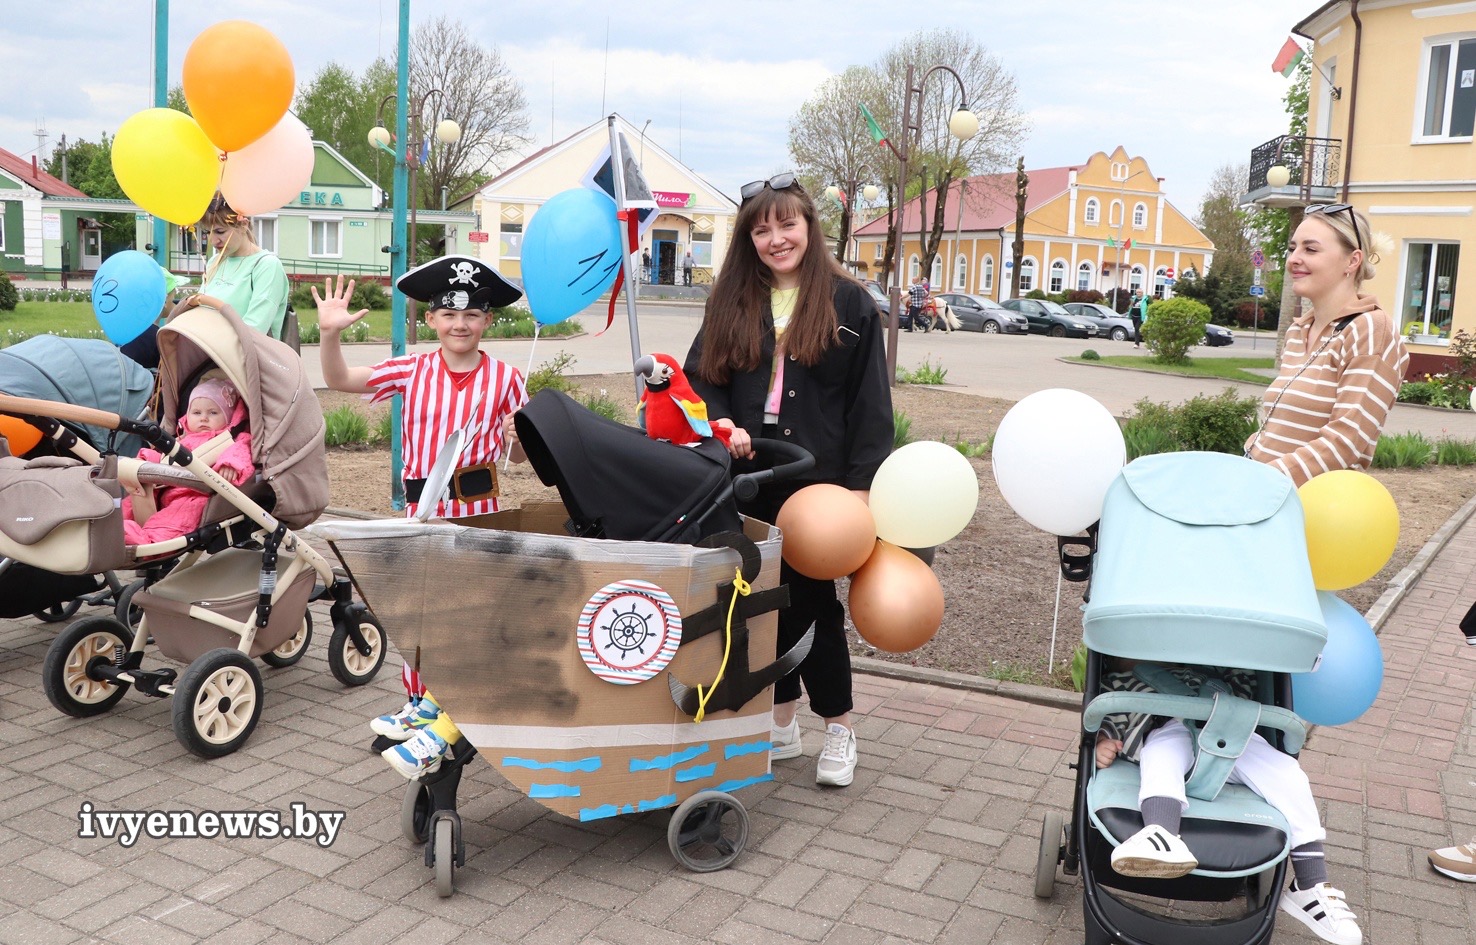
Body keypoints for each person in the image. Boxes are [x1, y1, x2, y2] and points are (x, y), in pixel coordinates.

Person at [684, 172, 892, 789]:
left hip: (818, 484)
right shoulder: (731, 299)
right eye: (762, 228)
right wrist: (719, 421)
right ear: (749, 238)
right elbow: (703, 375)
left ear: (809, 226)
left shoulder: (850, 301)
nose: (776, 238)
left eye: (787, 224)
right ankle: (780, 719)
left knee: (812, 604)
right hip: (749, 476)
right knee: (754, 601)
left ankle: (841, 727)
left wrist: (859, 490)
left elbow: (869, 404)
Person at [314, 255, 529, 779]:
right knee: (419, 608)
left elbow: (522, 456)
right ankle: (420, 704)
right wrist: (329, 336)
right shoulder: (412, 369)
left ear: (487, 322)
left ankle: (457, 705)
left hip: (480, 512)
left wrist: (518, 441)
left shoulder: (506, 377)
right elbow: (340, 379)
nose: (461, 324)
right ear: (430, 319)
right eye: (449, 314)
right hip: (423, 511)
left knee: (469, 609)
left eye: (473, 315)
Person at [1098, 659, 1362, 945]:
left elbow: (1251, 690)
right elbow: (1110, 714)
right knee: (1161, 755)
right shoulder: (1125, 680)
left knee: (1287, 773)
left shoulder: (1223, 673)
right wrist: (1104, 739)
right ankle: (1160, 833)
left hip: (1232, 738)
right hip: (1174, 731)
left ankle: (1309, 883)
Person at [1244, 204, 1409, 489]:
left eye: (1310, 249)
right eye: (1293, 248)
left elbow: (1347, 441)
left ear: (1352, 261)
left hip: (1311, 509)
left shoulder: (1370, 329)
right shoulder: (1299, 331)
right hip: (1264, 498)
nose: (1294, 259)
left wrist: (1263, 483)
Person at [122, 377, 253, 546]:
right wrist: (145, 459)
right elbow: (163, 459)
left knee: (175, 520)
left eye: (213, 413)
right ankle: (112, 529)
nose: (204, 418)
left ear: (228, 417)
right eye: (197, 413)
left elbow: (243, 449)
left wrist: (230, 463)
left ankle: (150, 541)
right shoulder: (181, 440)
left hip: (195, 494)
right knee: (132, 500)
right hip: (163, 488)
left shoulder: (229, 439)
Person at [195, 195, 291, 339]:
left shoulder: (267, 266)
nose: (213, 241)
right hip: (208, 355)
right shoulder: (215, 261)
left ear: (243, 225)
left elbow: (254, 329)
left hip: (245, 358)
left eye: (220, 231)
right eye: (208, 232)